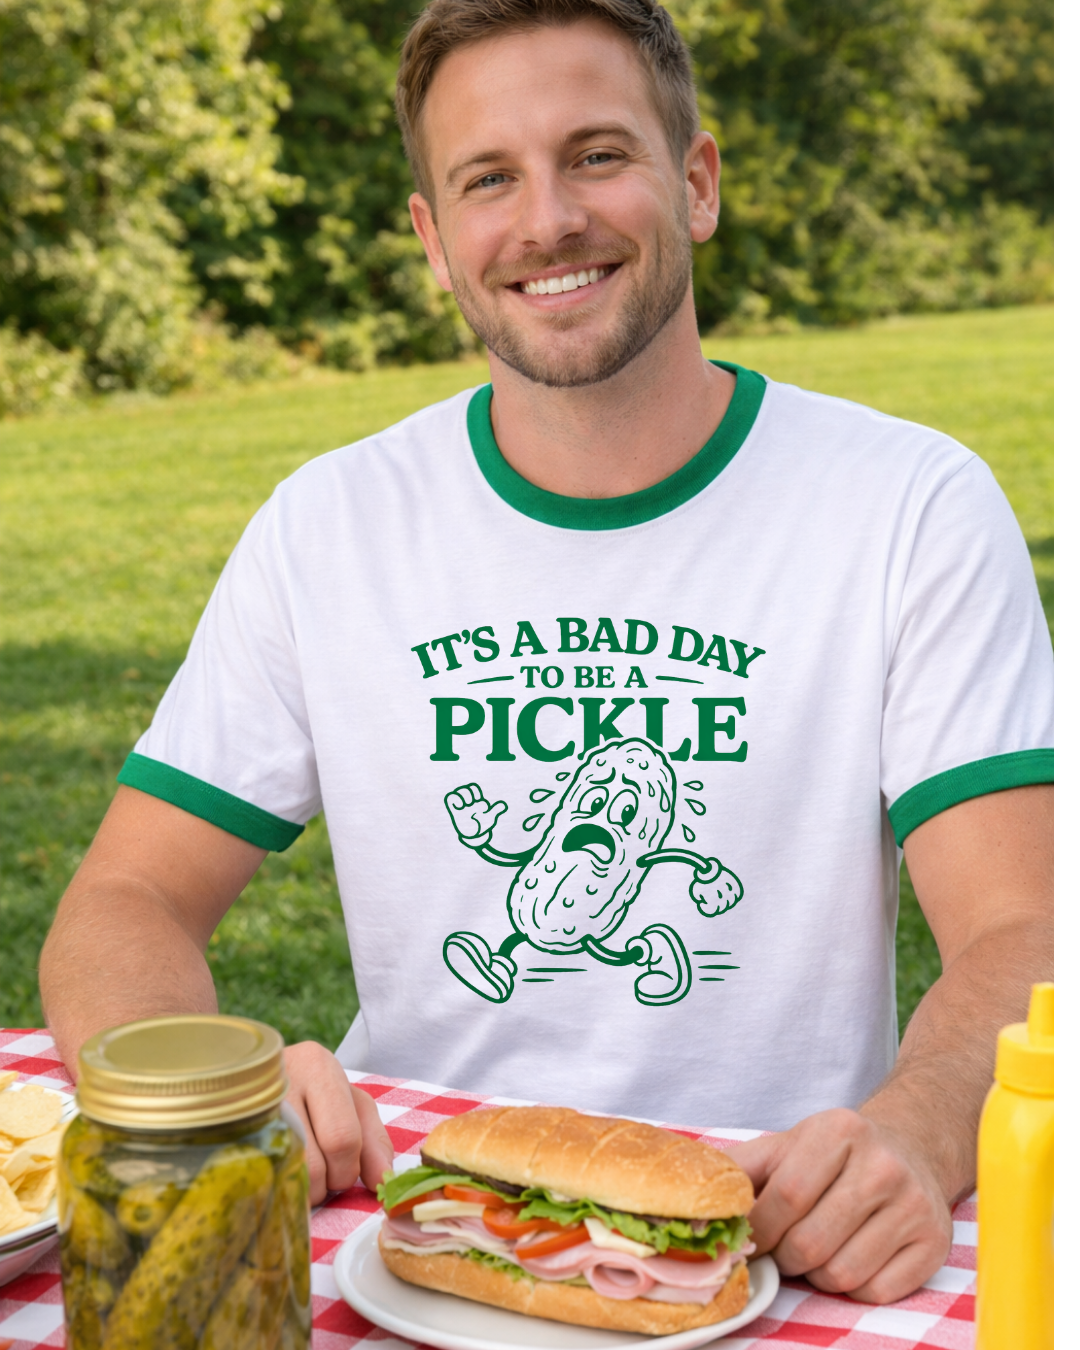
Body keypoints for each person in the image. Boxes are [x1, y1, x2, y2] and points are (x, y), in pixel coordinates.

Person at [40, 0, 1052, 1306]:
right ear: (433, 240)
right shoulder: (329, 524)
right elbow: (123, 900)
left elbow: (1027, 927)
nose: (547, 218)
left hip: (782, 1230)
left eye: (596, 155)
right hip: (419, 1225)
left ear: (696, 184)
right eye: (488, 178)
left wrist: (915, 1127)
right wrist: (208, 1088)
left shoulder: (907, 502)